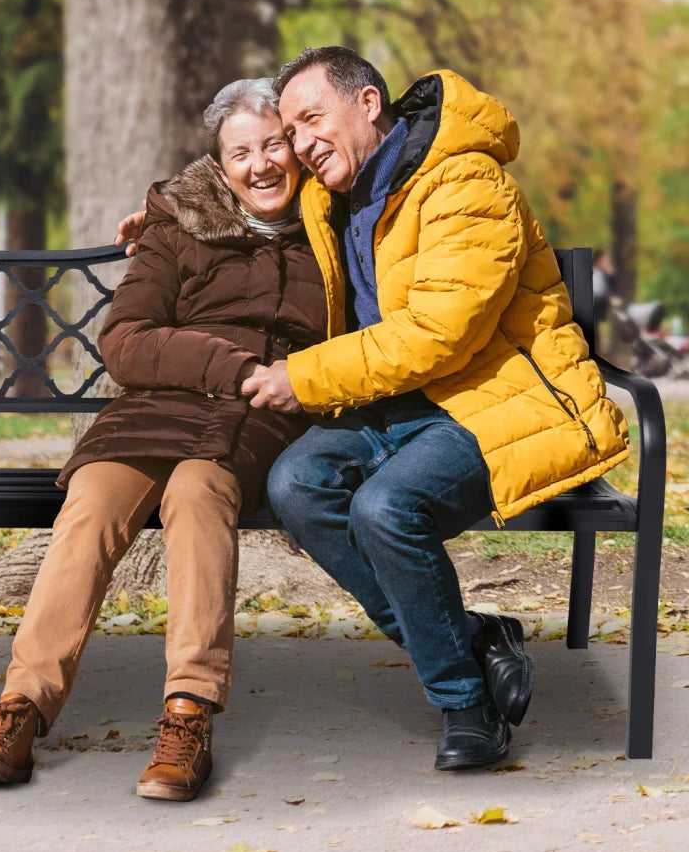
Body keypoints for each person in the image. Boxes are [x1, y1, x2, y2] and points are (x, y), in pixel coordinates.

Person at [115, 47, 630, 772]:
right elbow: (240, 178)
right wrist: (166, 213)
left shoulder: (466, 182)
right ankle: (474, 637)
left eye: (309, 119)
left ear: (367, 103)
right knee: (296, 485)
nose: (296, 145)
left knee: (384, 510)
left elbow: (438, 335)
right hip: (394, 404)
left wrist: (304, 377)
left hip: (490, 404)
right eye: (291, 129)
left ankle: (463, 702)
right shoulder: (333, 190)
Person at [0, 78, 327, 799]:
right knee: (91, 498)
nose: (261, 165)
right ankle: (18, 712)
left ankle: (188, 715)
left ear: (296, 149)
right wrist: (231, 362)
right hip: (156, 405)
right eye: (240, 151)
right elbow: (124, 340)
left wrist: (270, 377)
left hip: (254, 415)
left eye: (273, 144)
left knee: (199, 493)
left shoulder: (333, 234)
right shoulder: (178, 230)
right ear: (219, 168)